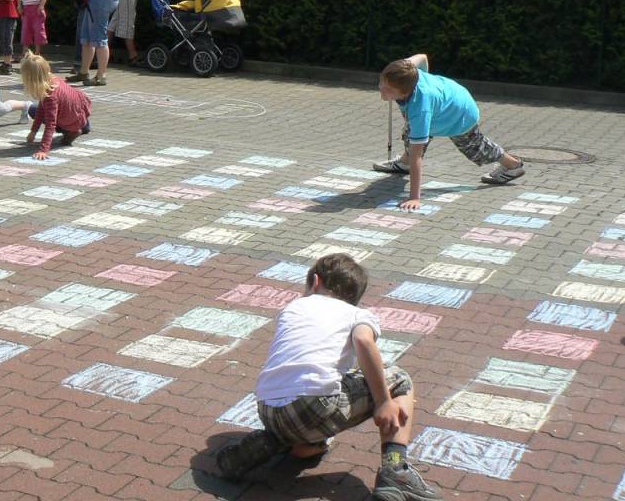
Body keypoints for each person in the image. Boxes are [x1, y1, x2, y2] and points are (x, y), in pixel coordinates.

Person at [211, 253, 443, 501]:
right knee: (399, 378)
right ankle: (395, 469)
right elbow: (364, 341)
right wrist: (384, 401)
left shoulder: (293, 307)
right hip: (315, 406)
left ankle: (276, 441)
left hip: (268, 408)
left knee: (323, 394)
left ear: (315, 281)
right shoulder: (356, 314)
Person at [373, 54, 525, 210]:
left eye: (388, 89)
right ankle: (405, 164)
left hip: (459, 114)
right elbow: (422, 57)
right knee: (411, 134)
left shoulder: (420, 107)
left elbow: (417, 156)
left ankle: (513, 165)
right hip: (445, 99)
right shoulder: (404, 70)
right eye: (381, 82)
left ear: (405, 91)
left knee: (475, 148)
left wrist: (414, 198)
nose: (381, 88)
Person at [21, 54, 91, 159]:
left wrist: (43, 150)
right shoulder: (52, 79)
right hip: (79, 112)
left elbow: (51, 124)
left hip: (73, 118)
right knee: (35, 109)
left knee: (34, 111)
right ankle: (83, 126)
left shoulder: (51, 96)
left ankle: (73, 131)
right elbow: (41, 108)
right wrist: (33, 131)